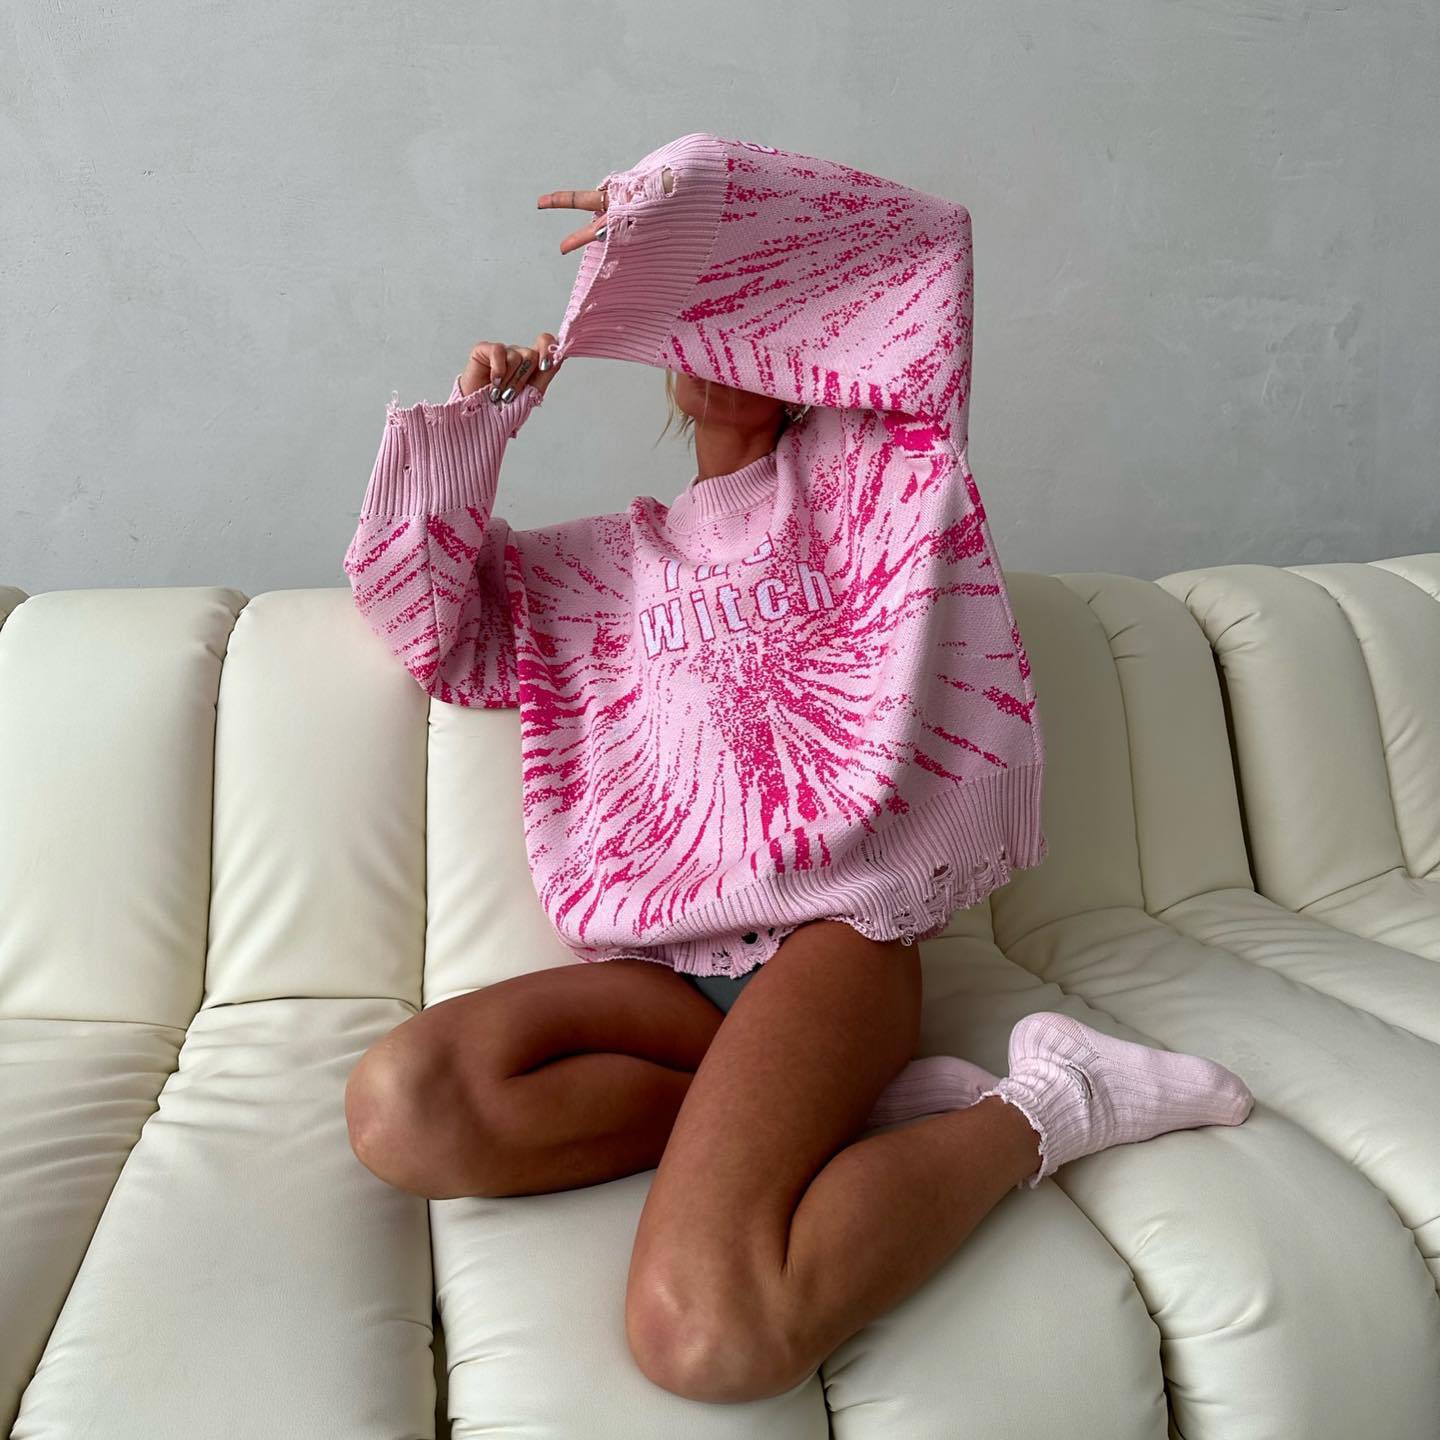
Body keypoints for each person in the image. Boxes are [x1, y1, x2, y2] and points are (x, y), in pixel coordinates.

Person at [341, 132, 1254, 1406]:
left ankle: (1056, 1101)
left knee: (711, 1335)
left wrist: (673, 207)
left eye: (749, 303)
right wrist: (481, 426)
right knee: (404, 1106)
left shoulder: (878, 489)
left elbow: (929, 248)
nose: (724, 335)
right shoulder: (592, 570)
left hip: (834, 944)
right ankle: (830, 1108)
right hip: (665, 974)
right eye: (699, 311)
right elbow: (424, 626)